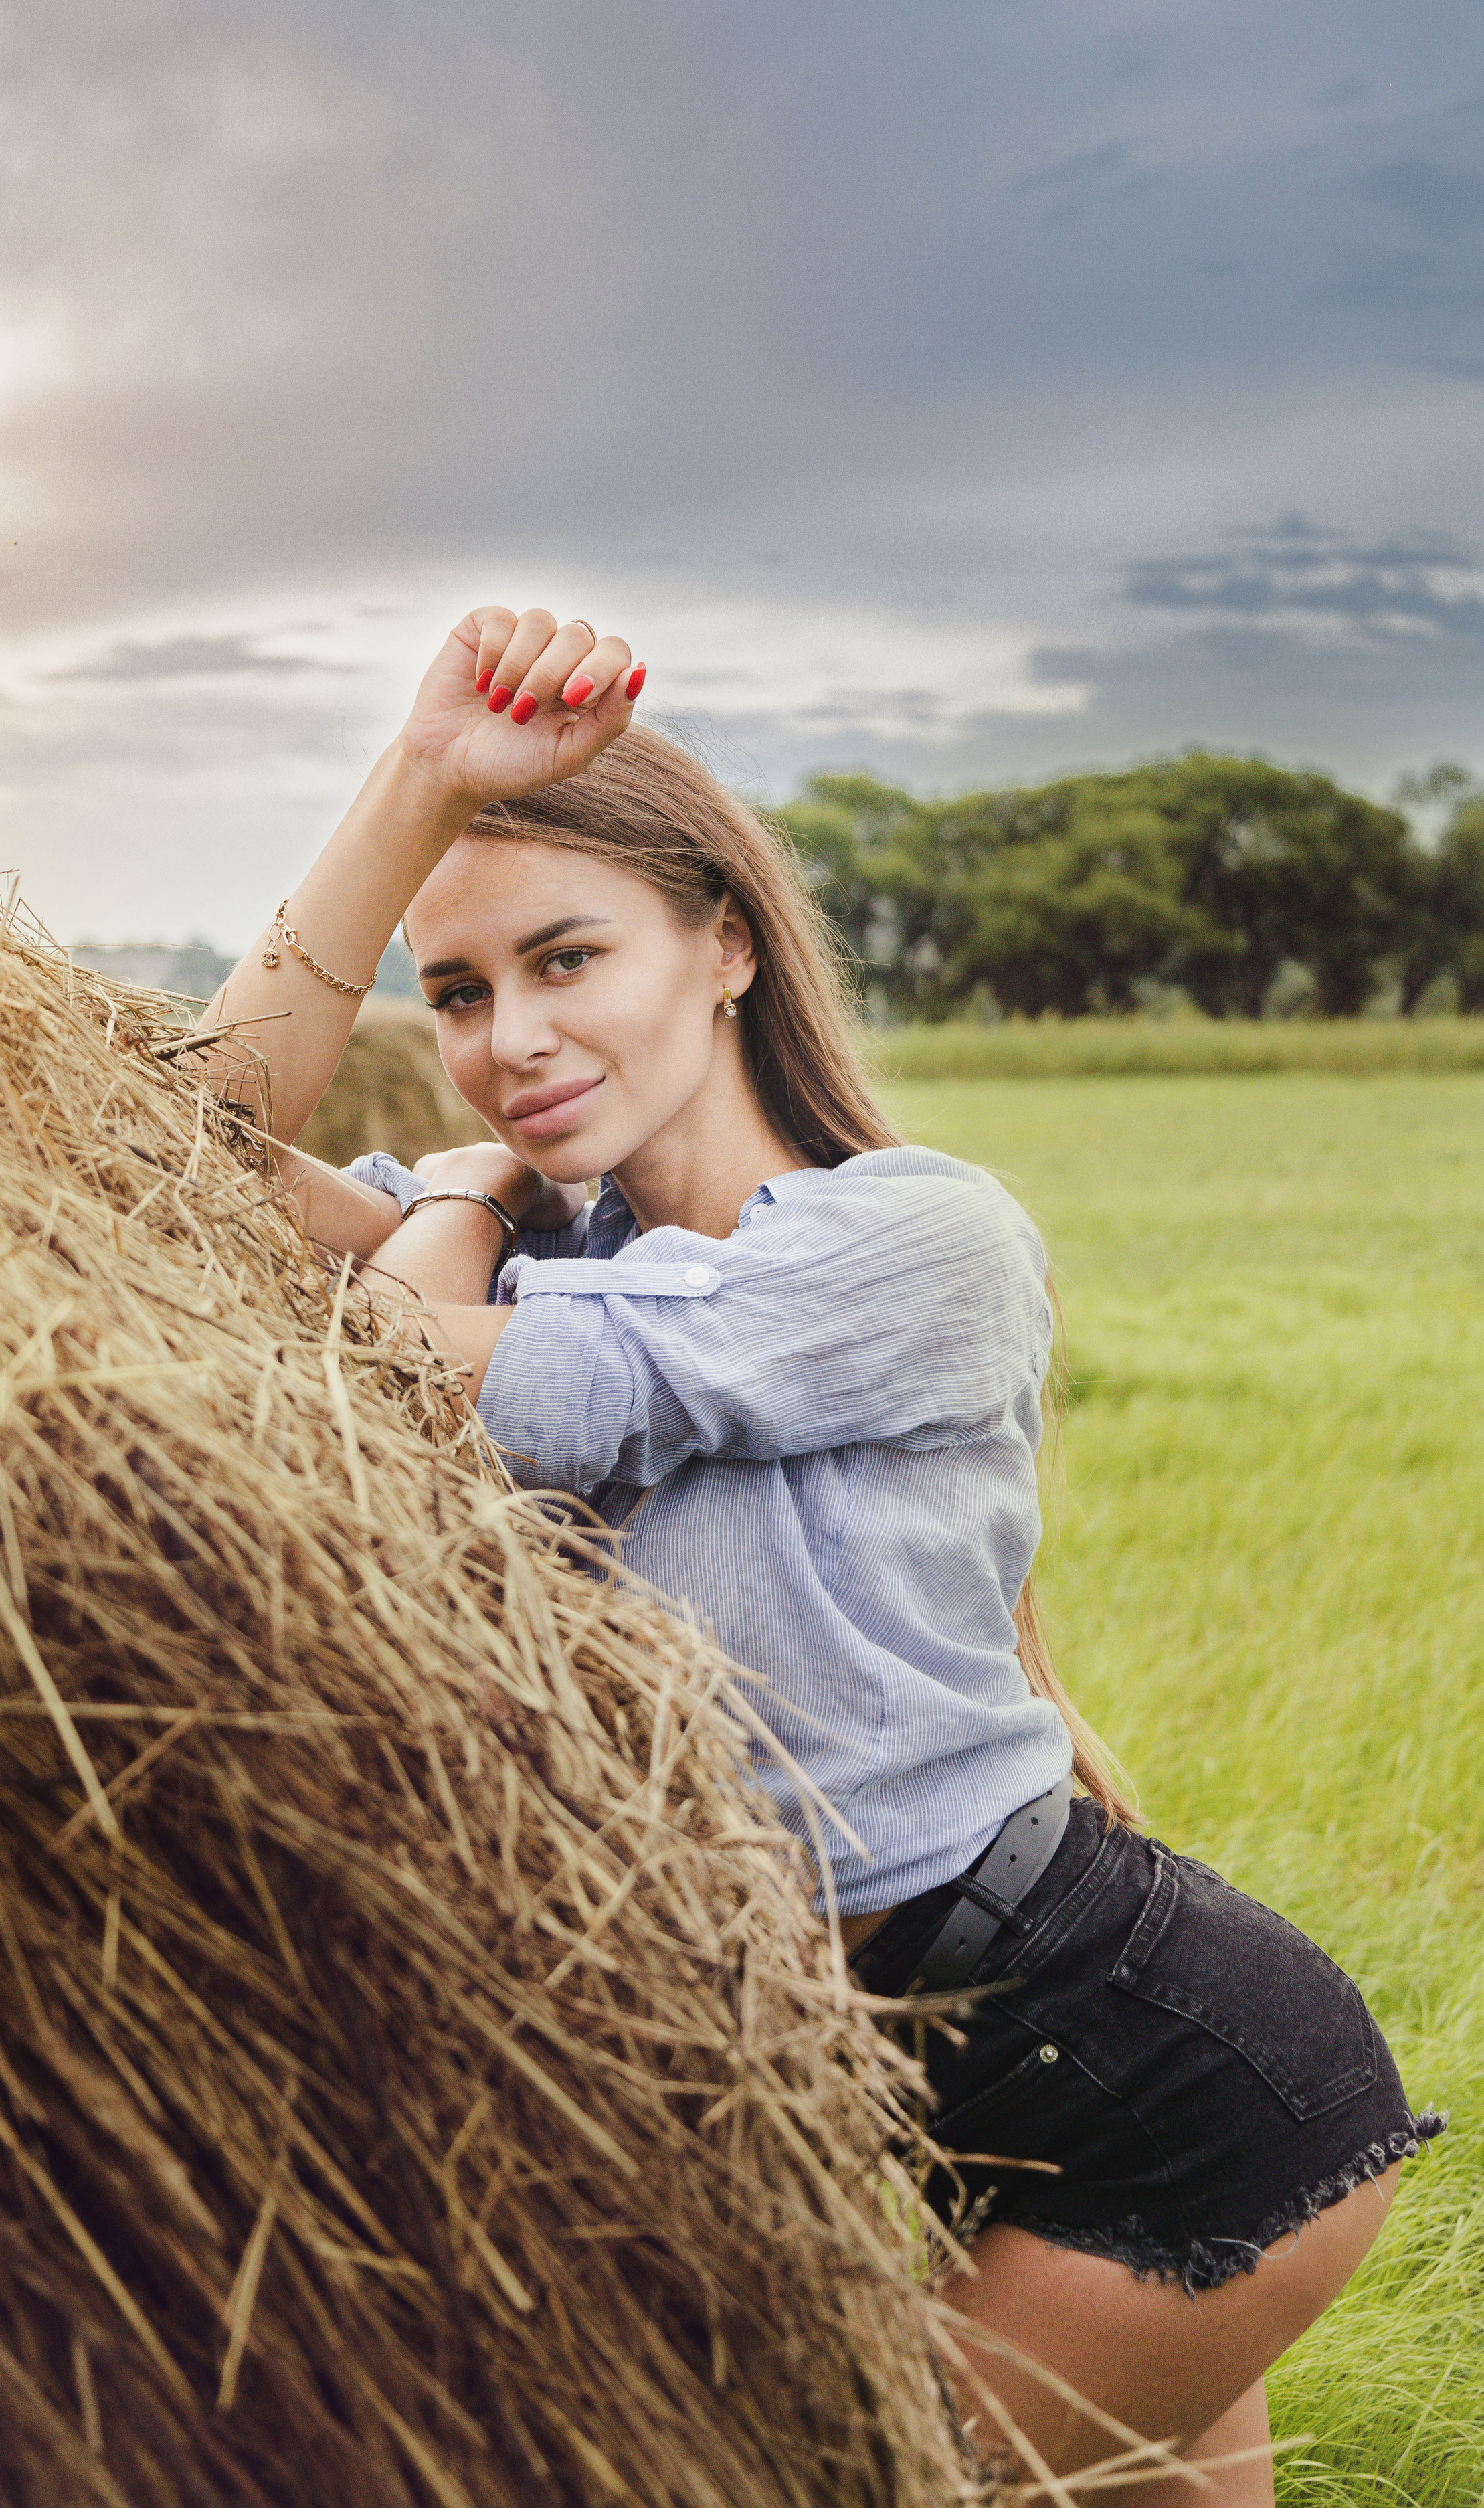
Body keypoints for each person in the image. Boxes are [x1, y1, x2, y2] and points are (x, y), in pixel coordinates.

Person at [201, 606, 1443, 2503]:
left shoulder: (908, 1239)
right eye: (453, 996)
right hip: (885, 2091)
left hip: (1159, 2091)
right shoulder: (553, 1246)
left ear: (726, 947)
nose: (509, 1043)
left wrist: (444, 1193)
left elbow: (387, 1375)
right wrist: (421, 775)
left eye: (565, 959)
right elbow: (156, 1151)